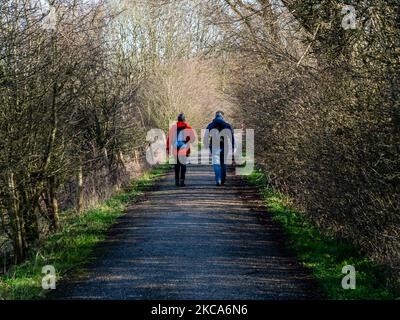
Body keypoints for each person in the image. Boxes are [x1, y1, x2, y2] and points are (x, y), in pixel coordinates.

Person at [204, 111, 234, 186]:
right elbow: (231, 137)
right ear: (222, 116)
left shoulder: (211, 124)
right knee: (223, 163)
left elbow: (206, 136)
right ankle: (223, 179)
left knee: (216, 164)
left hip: (214, 146)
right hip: (225, 146)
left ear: (215, 116)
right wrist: (233, 147)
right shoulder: (227, 125)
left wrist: (206, 144)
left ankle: (218, 180)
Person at [167, 113, 195, 187]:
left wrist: (168, 149)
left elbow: (169, 139)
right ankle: (182, 181)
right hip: (184, 149)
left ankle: (176, 181)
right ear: (184, 119)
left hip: (175, 149)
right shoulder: (188, 127)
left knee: (176, 165)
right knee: (183, 165)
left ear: (178, 119)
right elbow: (192, 139)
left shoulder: (173, 128)